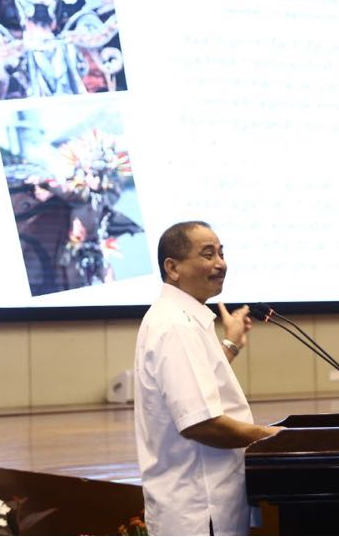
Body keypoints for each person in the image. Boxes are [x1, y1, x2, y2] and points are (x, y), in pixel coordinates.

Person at [134, 221, 282, 535]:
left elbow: (195, 384)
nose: (220, 264)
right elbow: (200, 423)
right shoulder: (175, 325)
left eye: (221, 253)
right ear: (173, 268)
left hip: (207, 504)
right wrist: (276, 437)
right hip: (200, 511)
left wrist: (230, 344)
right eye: (207, 254)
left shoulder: (182, 317)